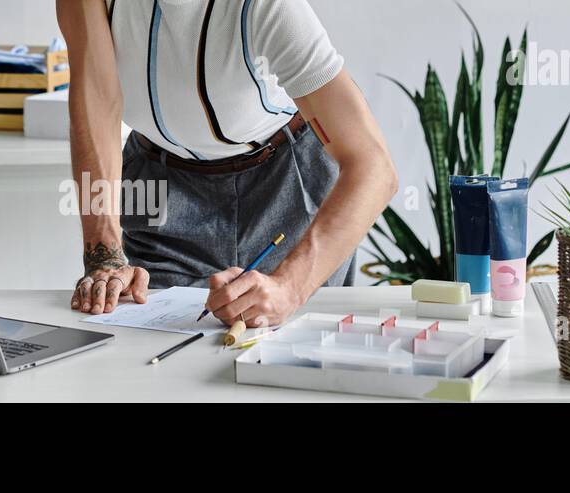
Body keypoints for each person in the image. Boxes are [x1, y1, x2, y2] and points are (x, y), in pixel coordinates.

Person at [59, 0, 397, 328]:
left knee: (294, 358)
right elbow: (96, 105)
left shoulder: (272, 7)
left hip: (286, 184)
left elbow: (374, 167)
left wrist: (290, 288)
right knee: (154, 354)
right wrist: (104, 257)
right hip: (161, 183)